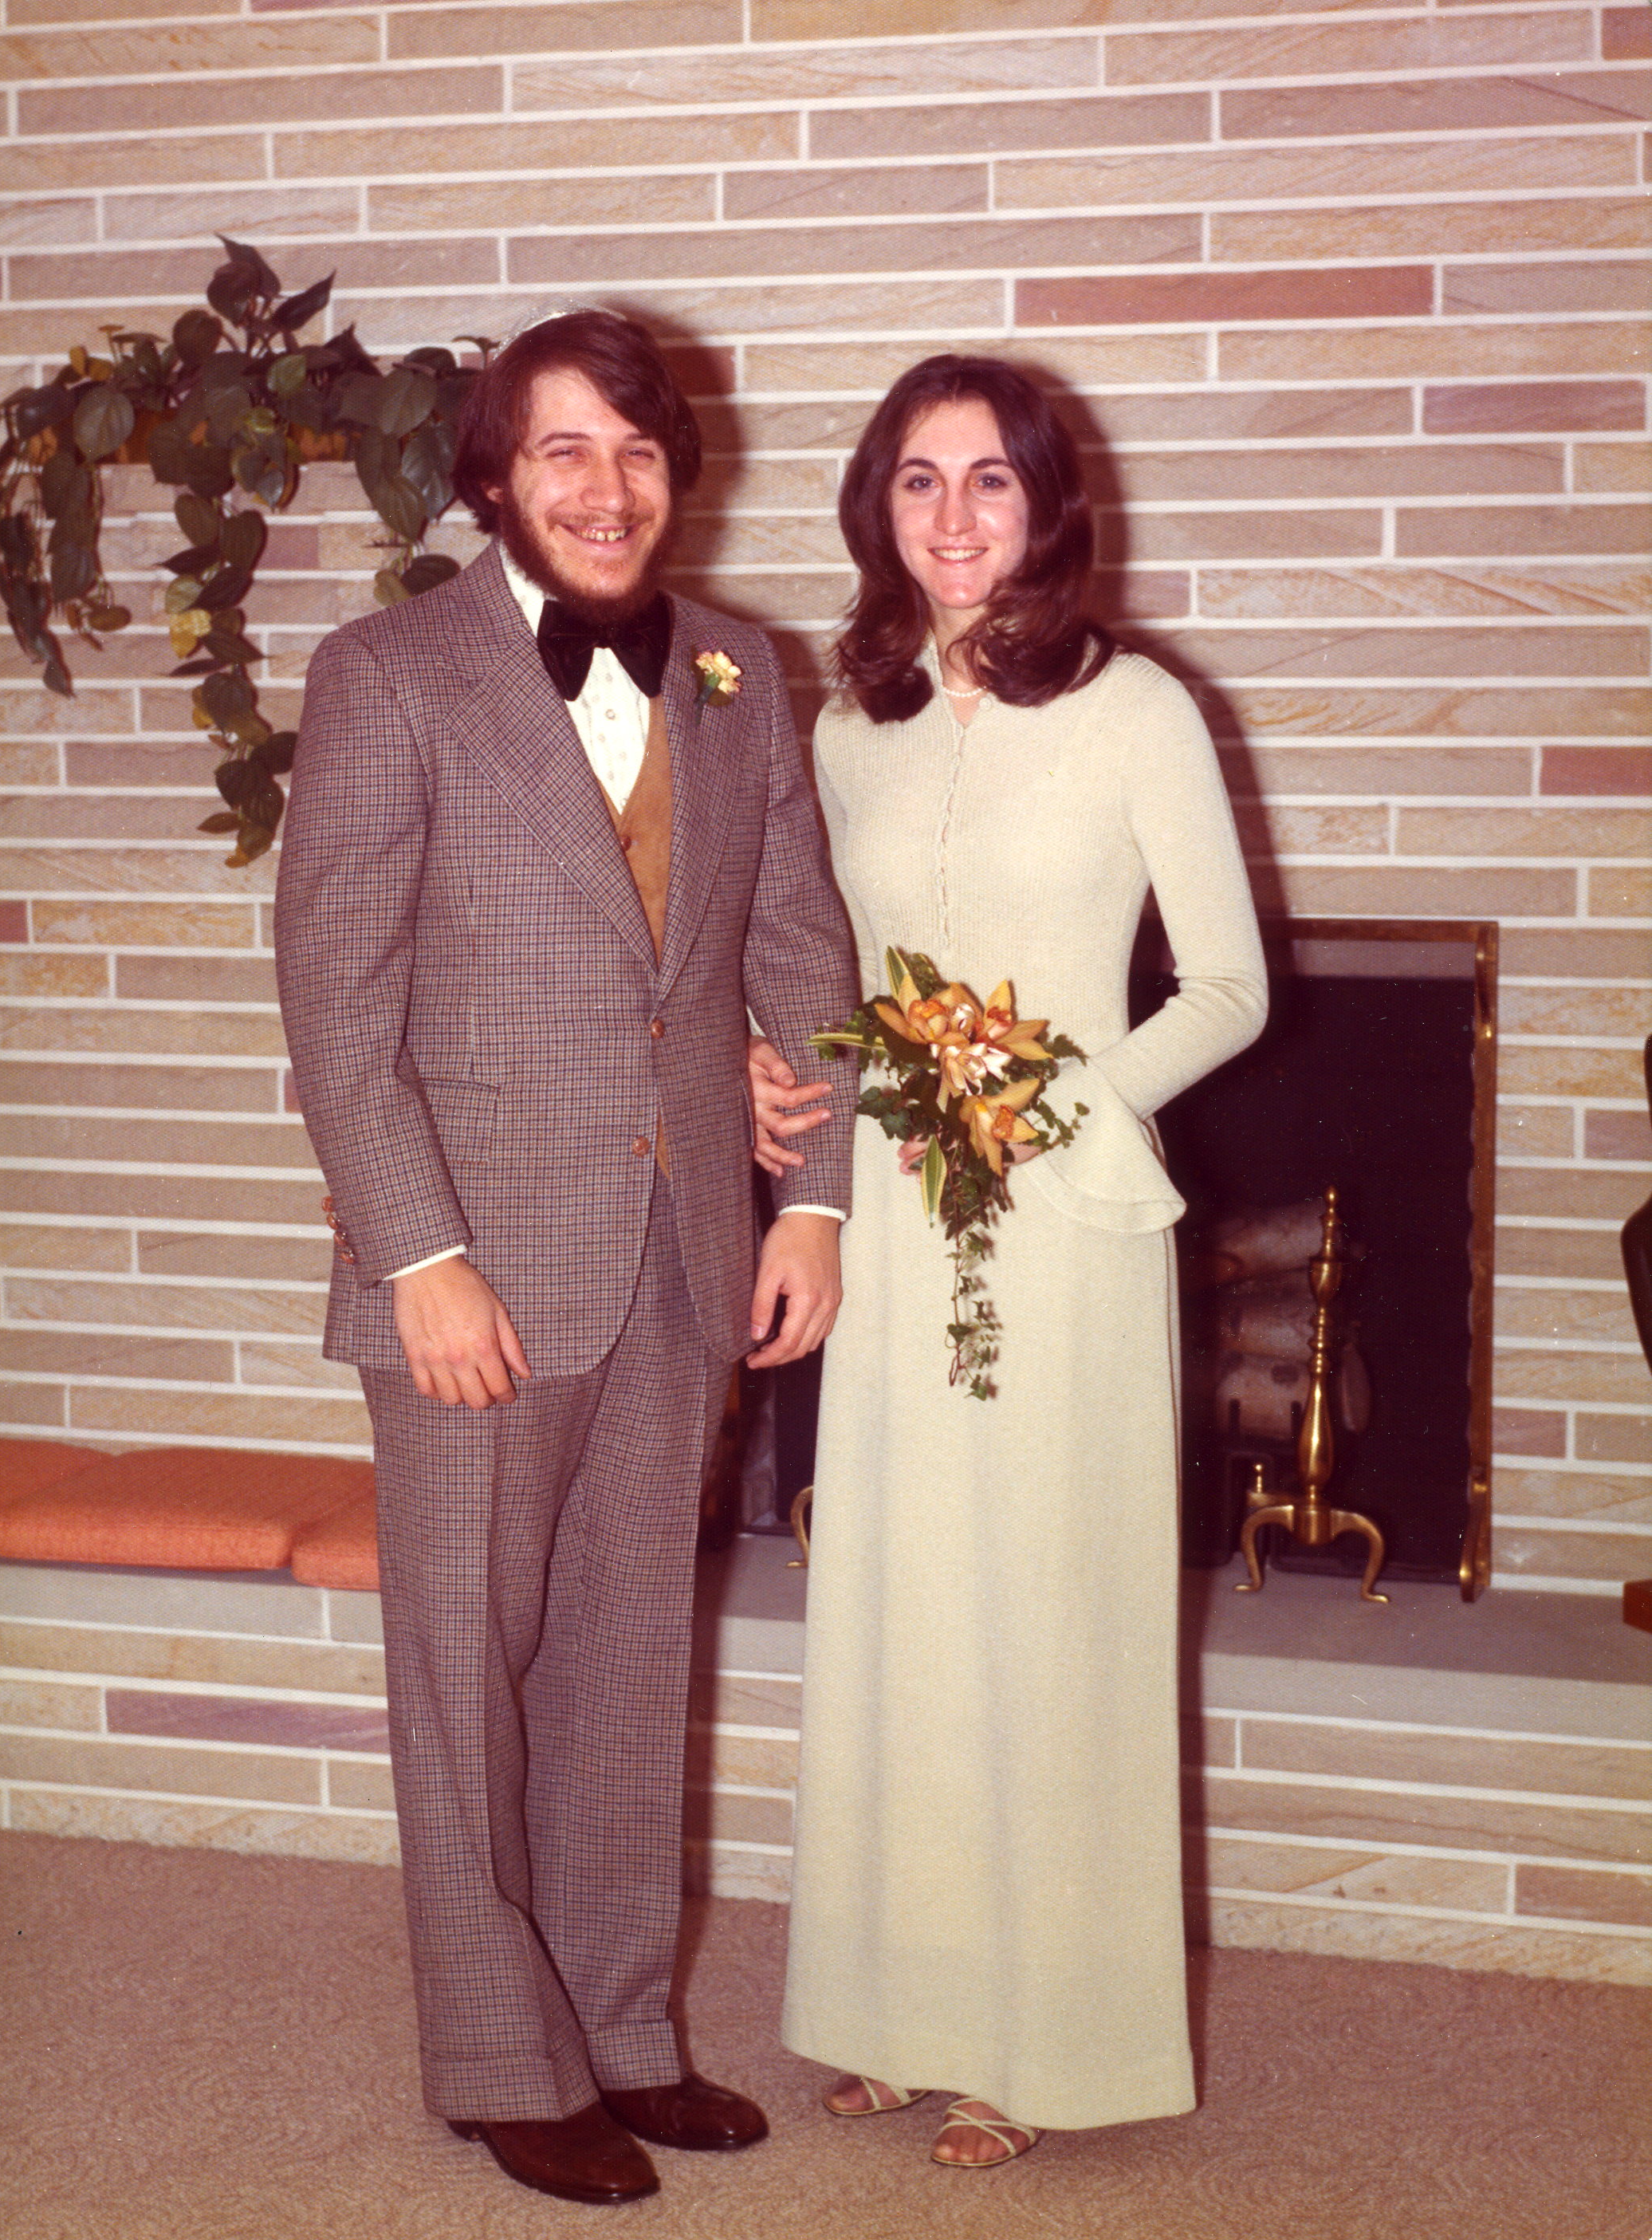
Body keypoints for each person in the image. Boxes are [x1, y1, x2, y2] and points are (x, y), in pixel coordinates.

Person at [274, 309, 860, 2209]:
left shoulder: (739, 672)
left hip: (683, 1249)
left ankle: (620, 2030)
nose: (607, 489)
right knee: (465, 1668)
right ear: (495, 481)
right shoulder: (389, 674)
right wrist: (419, 1253)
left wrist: (814, 1198)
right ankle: (497, 2057)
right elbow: (335, 1002)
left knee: (625, 1660)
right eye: (562, 452)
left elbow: (800, 951)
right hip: (471, 1266)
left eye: (637, 449)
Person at [753, 356, 1267, 2168]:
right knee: (898, 1599)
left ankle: (1046, 2042)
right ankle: (901, 2010)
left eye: (990, 478)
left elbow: (1230, 988)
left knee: (1048, 1609)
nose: (955, 515)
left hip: (1064, 1216)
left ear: (1049, 503)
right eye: (919, 479)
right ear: (876, 506)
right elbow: (825, 969)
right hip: (895, 1214)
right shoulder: (850, 720)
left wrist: (1050, 1105)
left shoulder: (1140, 709)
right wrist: (785, 1069)